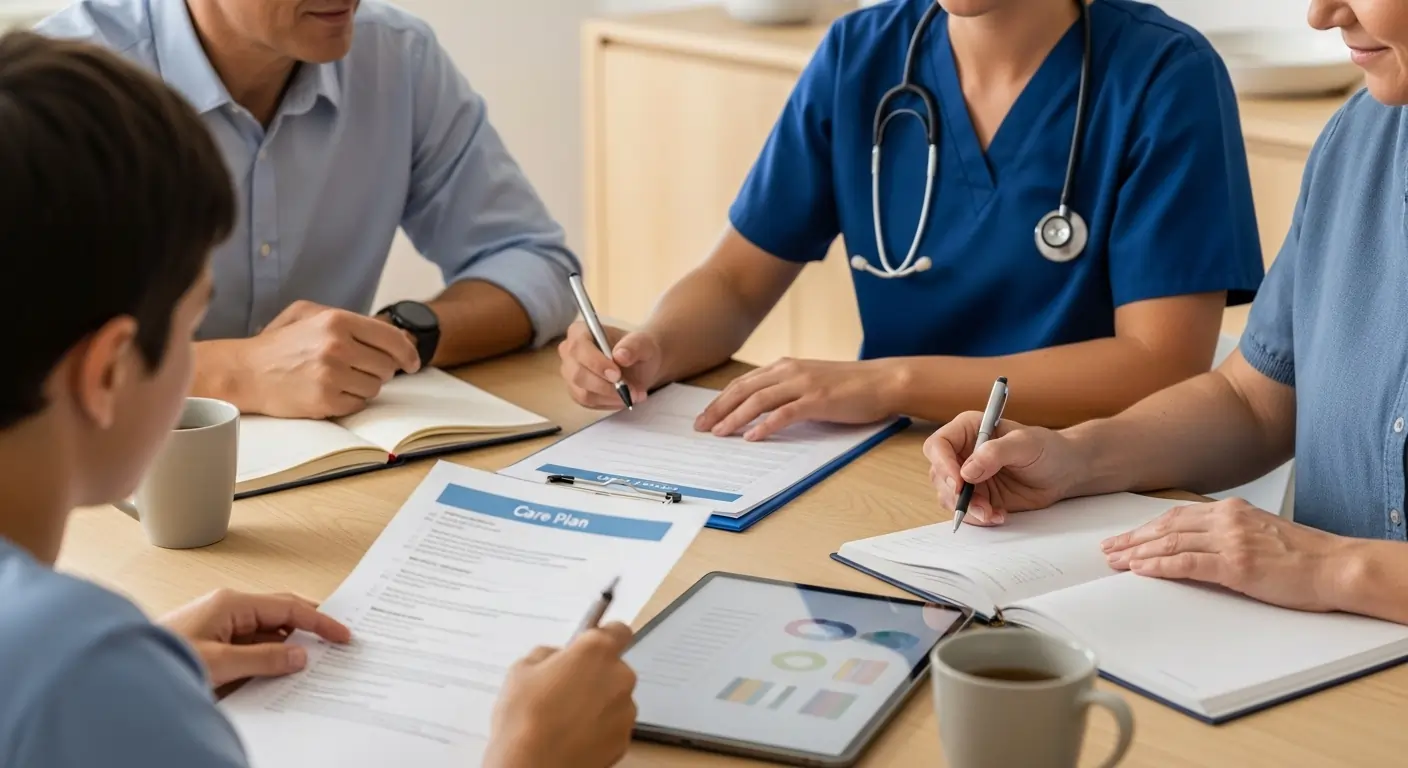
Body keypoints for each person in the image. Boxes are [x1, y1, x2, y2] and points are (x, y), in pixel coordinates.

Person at [0, 31, 635, 768]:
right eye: (188, 329)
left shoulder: (76, 670)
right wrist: (531, 757)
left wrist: (136, 675)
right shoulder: (73, 673)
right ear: (108, 372)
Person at [559, 0, 1264, 440]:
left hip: (1076, 475)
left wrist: (888, 384)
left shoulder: (1164, 75)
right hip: (882, 458)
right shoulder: (859, 55)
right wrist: (651, 346)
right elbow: (737, 281)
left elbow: (1160, 366)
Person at [923, 0, 1408, 626]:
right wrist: (1073, 458)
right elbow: (1255, 402)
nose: (1321, 15)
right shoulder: (1360, 139)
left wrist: (1336, 568)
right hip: (1333, 667)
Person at [36, 0, 581, 420]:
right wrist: (238, 373)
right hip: (108, 493)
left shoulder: (397, 57)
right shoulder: (60, 86)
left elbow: (535, 262)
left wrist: (389, 341)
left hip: (328, 478)